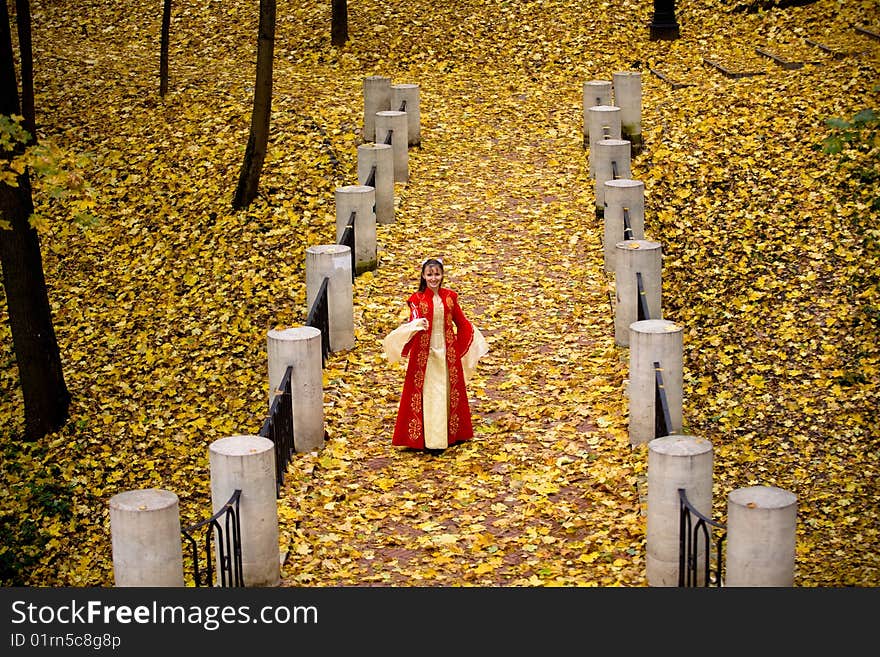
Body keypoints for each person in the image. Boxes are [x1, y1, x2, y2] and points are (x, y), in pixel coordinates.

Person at [382, 257, 488, 454]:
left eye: (437, 274)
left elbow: (461, 321)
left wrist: (472, 340)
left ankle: (448, 434)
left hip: (448, 352)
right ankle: (430, 438)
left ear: (442, 275)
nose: (433, 278)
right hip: (425, 354)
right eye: (429, 274)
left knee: (446, 391)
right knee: (430, 393)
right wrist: (416, 326)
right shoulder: (417, 299)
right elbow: (413, 320)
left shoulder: (450, 297)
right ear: (423, 275)